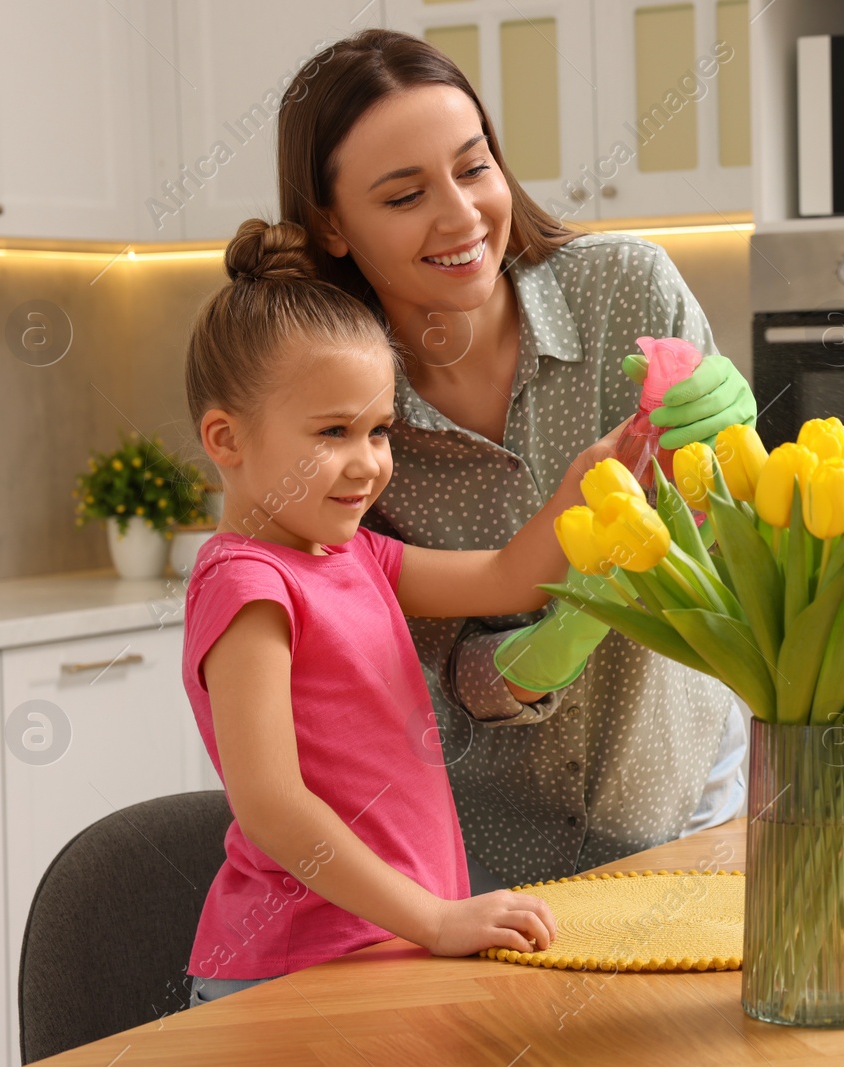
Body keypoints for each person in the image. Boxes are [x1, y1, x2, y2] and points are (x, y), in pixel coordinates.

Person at [275, 29, 756, 891]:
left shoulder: (627, 290)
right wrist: (548, 641)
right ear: (330, 225)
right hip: (478, 852)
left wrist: (732, 460)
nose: (460, 216)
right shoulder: (337, 416)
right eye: (403, 195)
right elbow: (417, 663)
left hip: (683, 803)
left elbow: (734, 550)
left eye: (473, 167)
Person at [180, 218, 625, 1005]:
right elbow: (274, 808)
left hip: (383, 949)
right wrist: (436, 919)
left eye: (380, 429)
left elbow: (505, 577)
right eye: (333, 432)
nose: (369, 462)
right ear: (226, 438)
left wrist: (590, 477)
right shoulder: (248, 586)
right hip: (292, 972)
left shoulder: (350, 554)